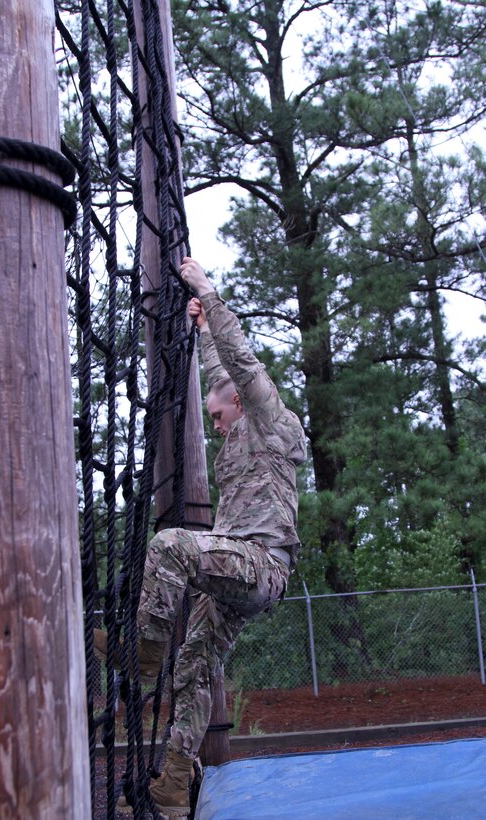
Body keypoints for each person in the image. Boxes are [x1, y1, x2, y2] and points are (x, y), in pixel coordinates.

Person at [95, 257, 306, 816]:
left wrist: (209, 293)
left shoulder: (269, 416)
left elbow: (240, 364)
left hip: (261, 564)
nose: (214, 427)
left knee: (170, 545)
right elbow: (221, 371)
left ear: (240, 403)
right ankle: (173, 786)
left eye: (217, 417)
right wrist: (204, 332)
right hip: (236, 569)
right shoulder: (238, 422)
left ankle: (139, 658)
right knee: (193, 665)